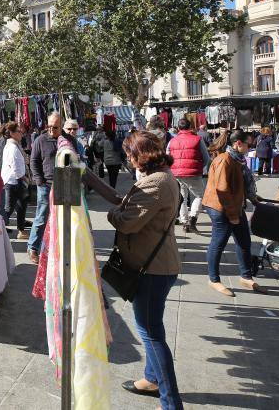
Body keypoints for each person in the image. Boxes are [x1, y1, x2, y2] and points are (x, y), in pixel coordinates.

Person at [107, 131, 183, 410]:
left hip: (154, 268)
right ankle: (152, 379)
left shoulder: (157, 182)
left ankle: (170, 402)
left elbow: (126, 222)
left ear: (142, 155)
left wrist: (113, 212)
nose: (127, 159)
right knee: (151, 328)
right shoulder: (161, 177)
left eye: (130, 154)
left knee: (150, 333)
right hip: (156, 264)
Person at [203, 130, 263, 296]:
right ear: (238, 144)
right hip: (220, 208)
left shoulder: (238, 159)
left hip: (235, 206)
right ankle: (213, 280)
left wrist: (252, 197)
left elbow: (239, 183)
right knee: (219, 242)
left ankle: (246, 276)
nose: (249, 147)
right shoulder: (225, 160)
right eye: (248, 144)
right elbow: (222, 190)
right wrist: (233, 215)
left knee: (244, 240)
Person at [28, 112, 63, 264]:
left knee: (61, 219)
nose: (51, 130)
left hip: (63, 185)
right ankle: (33, 247)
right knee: (41, 217)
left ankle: (55, 248)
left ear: (61, 126)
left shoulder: (67, 141)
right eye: (48, 126)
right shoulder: (40, 140)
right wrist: (39, 181)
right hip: (45, 185)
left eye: (54, 127)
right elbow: (33, 161)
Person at [167, 118, 211, 233]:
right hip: (193, 173)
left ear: (178, 128)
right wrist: (199, 168)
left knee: (182, 197)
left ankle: (185, 222)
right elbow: (207, 158)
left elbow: (167, 157)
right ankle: (192, 218)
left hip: (176, 173)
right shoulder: (197, 139)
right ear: (190, 127)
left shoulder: (173, 141)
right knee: (200, 195)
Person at [0, 122, 28, 237]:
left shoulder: (12, 145)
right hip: (15, 181)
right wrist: (24, 178)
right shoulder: (12, 147)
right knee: (10, 208)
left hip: (13, 180)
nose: (21, 133)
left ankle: (21, 230)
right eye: (18, 131)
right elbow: (15, 166)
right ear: (11, 133)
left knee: (20, 205)